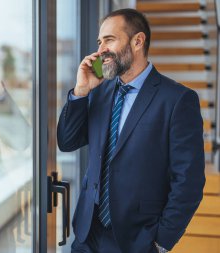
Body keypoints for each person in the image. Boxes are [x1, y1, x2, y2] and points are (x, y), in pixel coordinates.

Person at [57, 8, 205, 253]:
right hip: (87, 236)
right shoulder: (99, 91)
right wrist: (81, 92)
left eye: (110, 39)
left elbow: (188, 181)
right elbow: (67, 141)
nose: (101, 48)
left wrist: (161, 242)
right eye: (99, 41)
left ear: (138, 41)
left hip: (138, 240)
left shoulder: (178, 100)